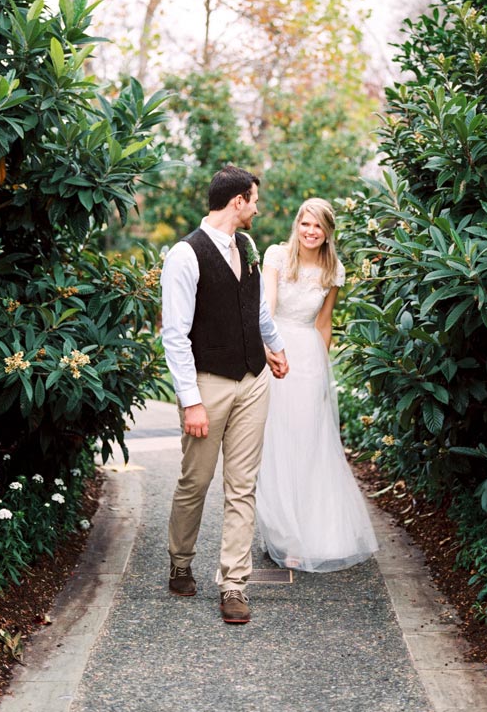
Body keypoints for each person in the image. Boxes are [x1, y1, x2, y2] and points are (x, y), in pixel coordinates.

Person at [160, 165, 289, 624]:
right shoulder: (184, 255)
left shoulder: (248, 247)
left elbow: (254, 307)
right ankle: (180, 560)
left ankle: (233, 584)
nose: (257, 208)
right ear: (237, 202)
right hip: (207, 383)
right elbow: (174, 335)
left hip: (253, 380)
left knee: (242, 486)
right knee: (194, 480)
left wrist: (273, 346)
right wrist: (191, 400)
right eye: (253, 199)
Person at [256, 197, 378, 572]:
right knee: (275, 440)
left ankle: (307, 533)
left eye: (318, 226)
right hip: (275, 350)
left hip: (309, 357)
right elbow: (267, 306)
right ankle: (281, 531)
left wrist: (322, 373)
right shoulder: (276, 256)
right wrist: (269, 350)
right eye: (305, 224)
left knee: (308, 441)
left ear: (328, 232)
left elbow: (324, 323)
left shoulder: (333, 270)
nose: (310, 232)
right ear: (297, 225)